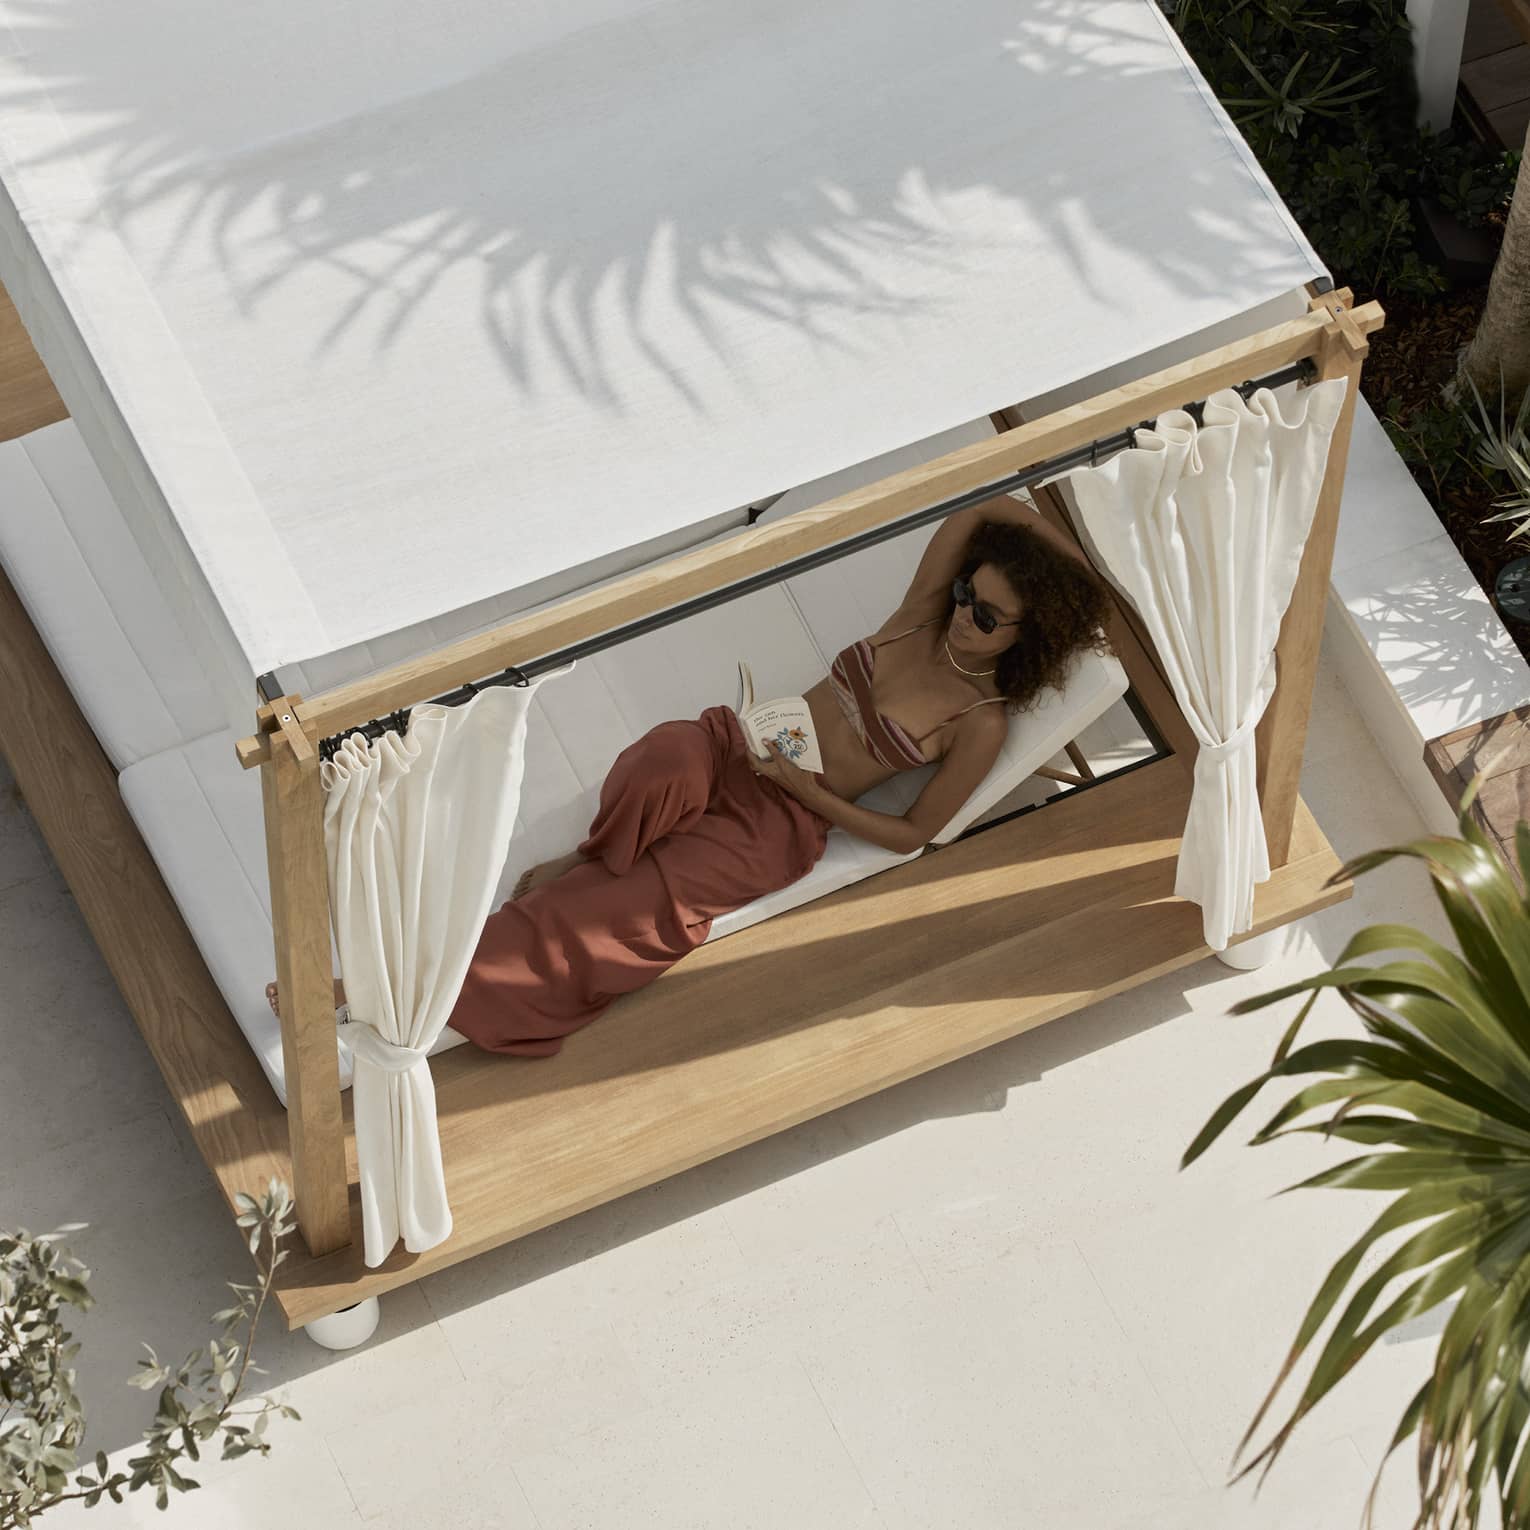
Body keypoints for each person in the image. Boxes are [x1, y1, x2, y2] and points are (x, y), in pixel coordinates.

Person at [267, 495, 1113, 1056]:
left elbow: (914, 834)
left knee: (616, 912)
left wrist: (807, 793)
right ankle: (590, 859)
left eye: (990, 614)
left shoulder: (981, 721)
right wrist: (1058, 561)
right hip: (738, 744)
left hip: (782, 823)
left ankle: (381, 989)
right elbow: (984, 508)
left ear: (1022, 639)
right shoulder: (922, 617)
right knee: (660, 761)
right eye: (970, 592)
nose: (967, 613)